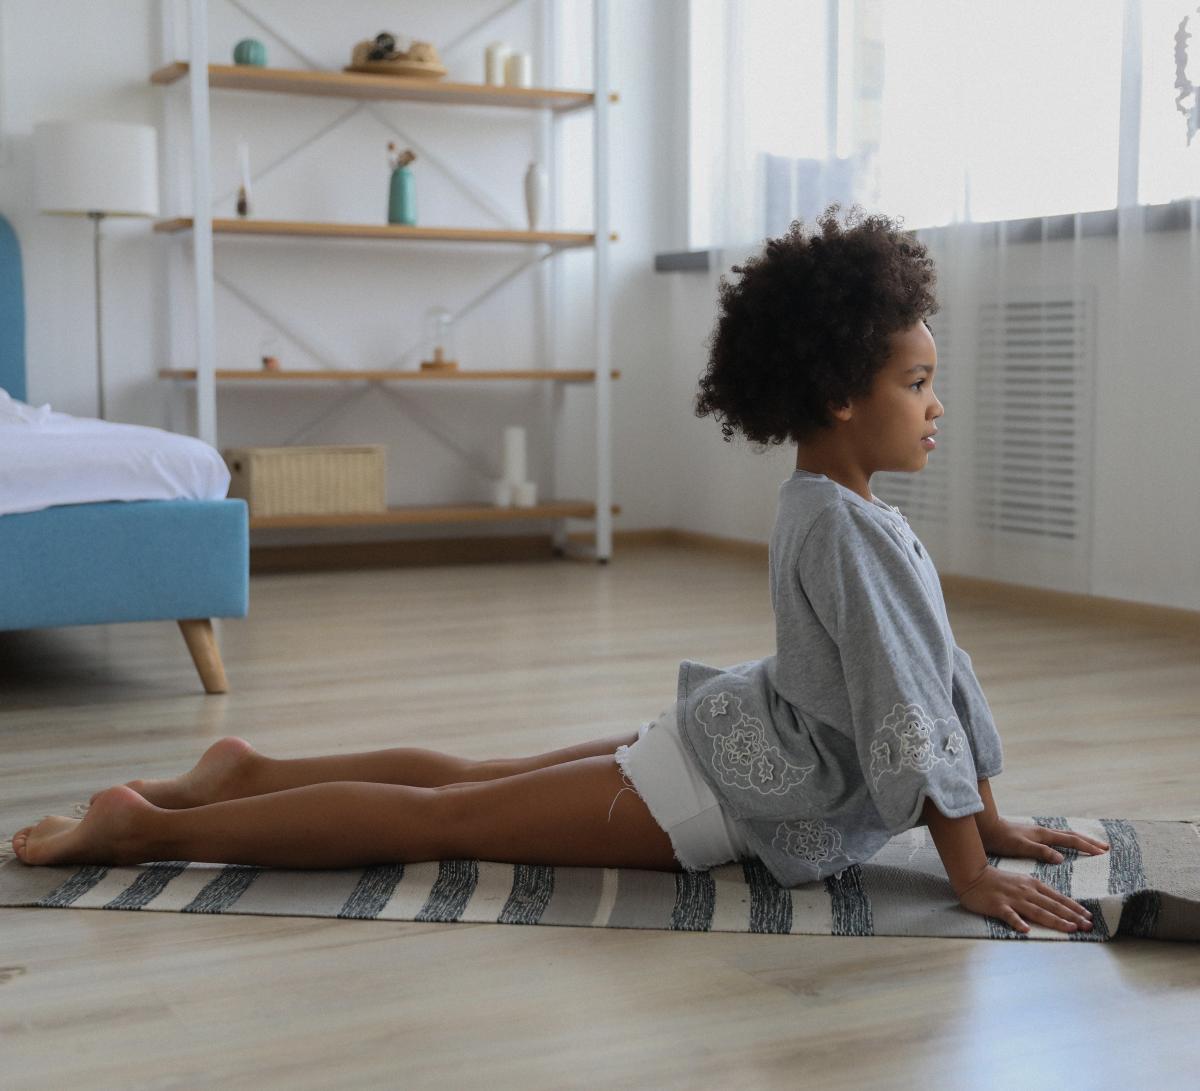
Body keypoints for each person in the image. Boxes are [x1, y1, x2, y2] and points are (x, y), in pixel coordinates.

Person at [11, 204, 1108, 936]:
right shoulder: (850, 526)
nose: (936, 404)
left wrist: (993, 816)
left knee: (464, 775)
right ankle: (148, 827)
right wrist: (969, 867)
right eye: (918, 380)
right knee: (444, 820)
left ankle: (243, 770)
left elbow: (935, 673)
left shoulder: (837, 506)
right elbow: (906, 710)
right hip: (721, 791)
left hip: (731, 739)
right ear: (838, 395)